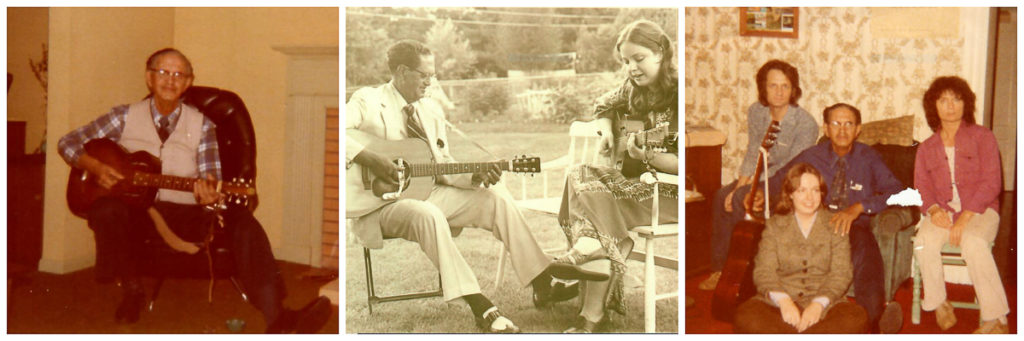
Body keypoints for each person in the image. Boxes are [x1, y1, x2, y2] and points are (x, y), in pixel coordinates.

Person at [56, 48, 331, 333]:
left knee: (245, 225)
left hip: (184, 212)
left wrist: (209, 194)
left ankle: (279, 319)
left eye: (179, 75)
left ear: (188, 83)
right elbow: (67, 142)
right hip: (135, 213)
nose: (171, 80)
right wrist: (96, 167)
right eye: (163, 72)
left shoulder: (202, 125)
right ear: (149, 78)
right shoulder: (123, 116)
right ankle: (132, 290)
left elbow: (210, 174)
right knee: (106, 208)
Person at [345, 40, 573, 333]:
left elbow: (443, 166)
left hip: (426, 194)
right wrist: (372, 159)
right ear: (401, 71)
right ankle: (482, 307)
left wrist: (474, 177)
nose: (430, 82)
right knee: (426, 214)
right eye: (424, 74)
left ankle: (543, 283)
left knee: (494, 197)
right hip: (379, 206)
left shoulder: (428, 111)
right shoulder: (368, 100)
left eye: (433, 75)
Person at [542, 20, 678, 333]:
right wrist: (605, 130)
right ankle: (597, 262)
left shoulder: (679, 96)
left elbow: (689, 166)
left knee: (590, 200)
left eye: (639, 58)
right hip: (631, 189)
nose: (631, 67)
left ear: (661, 53)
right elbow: (603, 104)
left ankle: (591, 289)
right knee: (579, 173)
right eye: (626, 61)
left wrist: (646, 156)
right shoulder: (632, 90)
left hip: (667, 193)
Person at [759, 103, 904, 333]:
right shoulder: (811, 155)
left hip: (853, 227)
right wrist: (757, 192)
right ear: (826, 128)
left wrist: (860, 206)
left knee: (867, 250)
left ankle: (874, 324)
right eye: (836, 123)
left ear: (858, 129)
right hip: (814, 225)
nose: (842, 130)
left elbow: (898, 191)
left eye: (849, 124)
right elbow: (777, 181)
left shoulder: (869, 157)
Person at [700, 60, 818, 291]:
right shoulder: (757, 111)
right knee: (722, 195)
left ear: (794, 90)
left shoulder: (805, 123)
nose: (779, 92)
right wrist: (738, 185)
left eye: (785, 86)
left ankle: (739, 272)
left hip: (784, 183)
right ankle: (719, 269)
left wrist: (749, 190)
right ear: (763, 88)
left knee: (739, 199)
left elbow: (791, 169)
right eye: (773, 85)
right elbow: (754, 151)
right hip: (759, 177)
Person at [912, 76, 1008, 334]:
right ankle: (939, 302)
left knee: (974, 242)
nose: (950, 105)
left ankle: (997, 319)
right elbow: (922, 188)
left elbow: (992, 183)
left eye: (956, 99)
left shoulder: (983, 137)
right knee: (924, 242)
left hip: (980, 209)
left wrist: (965, 218)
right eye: (943, 100)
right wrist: (933, 210)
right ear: (934, 106)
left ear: (966, 104)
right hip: (944, 212)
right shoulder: (926, 147)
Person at [734, 163, 867, 333]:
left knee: (856, 317)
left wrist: (818, 304)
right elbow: (763, 271)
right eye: (802, 190)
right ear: (790, 194)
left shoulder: (835, 224)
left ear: (822, 193)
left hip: (826, 307)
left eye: (815, 190)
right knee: (746, 316)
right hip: (779, 305)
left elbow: (841, 273)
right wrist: (784, 302)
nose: (809, 198)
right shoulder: (775, 226)